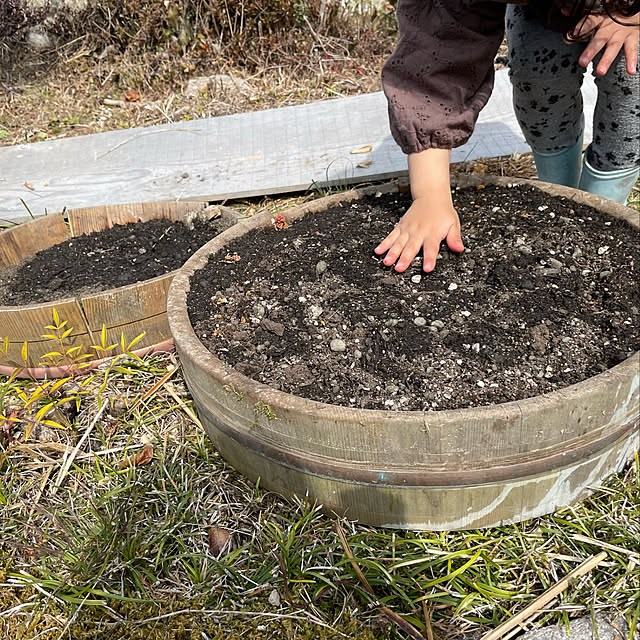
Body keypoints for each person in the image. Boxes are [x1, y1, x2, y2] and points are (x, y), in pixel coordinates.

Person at [375, 0, 640, 274]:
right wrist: (429, 194)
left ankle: (601, 209)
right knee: (536, 79)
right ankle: (561, 199)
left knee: (630, 79)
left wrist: (633, 16)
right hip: (543, 10)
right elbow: (439, 48)